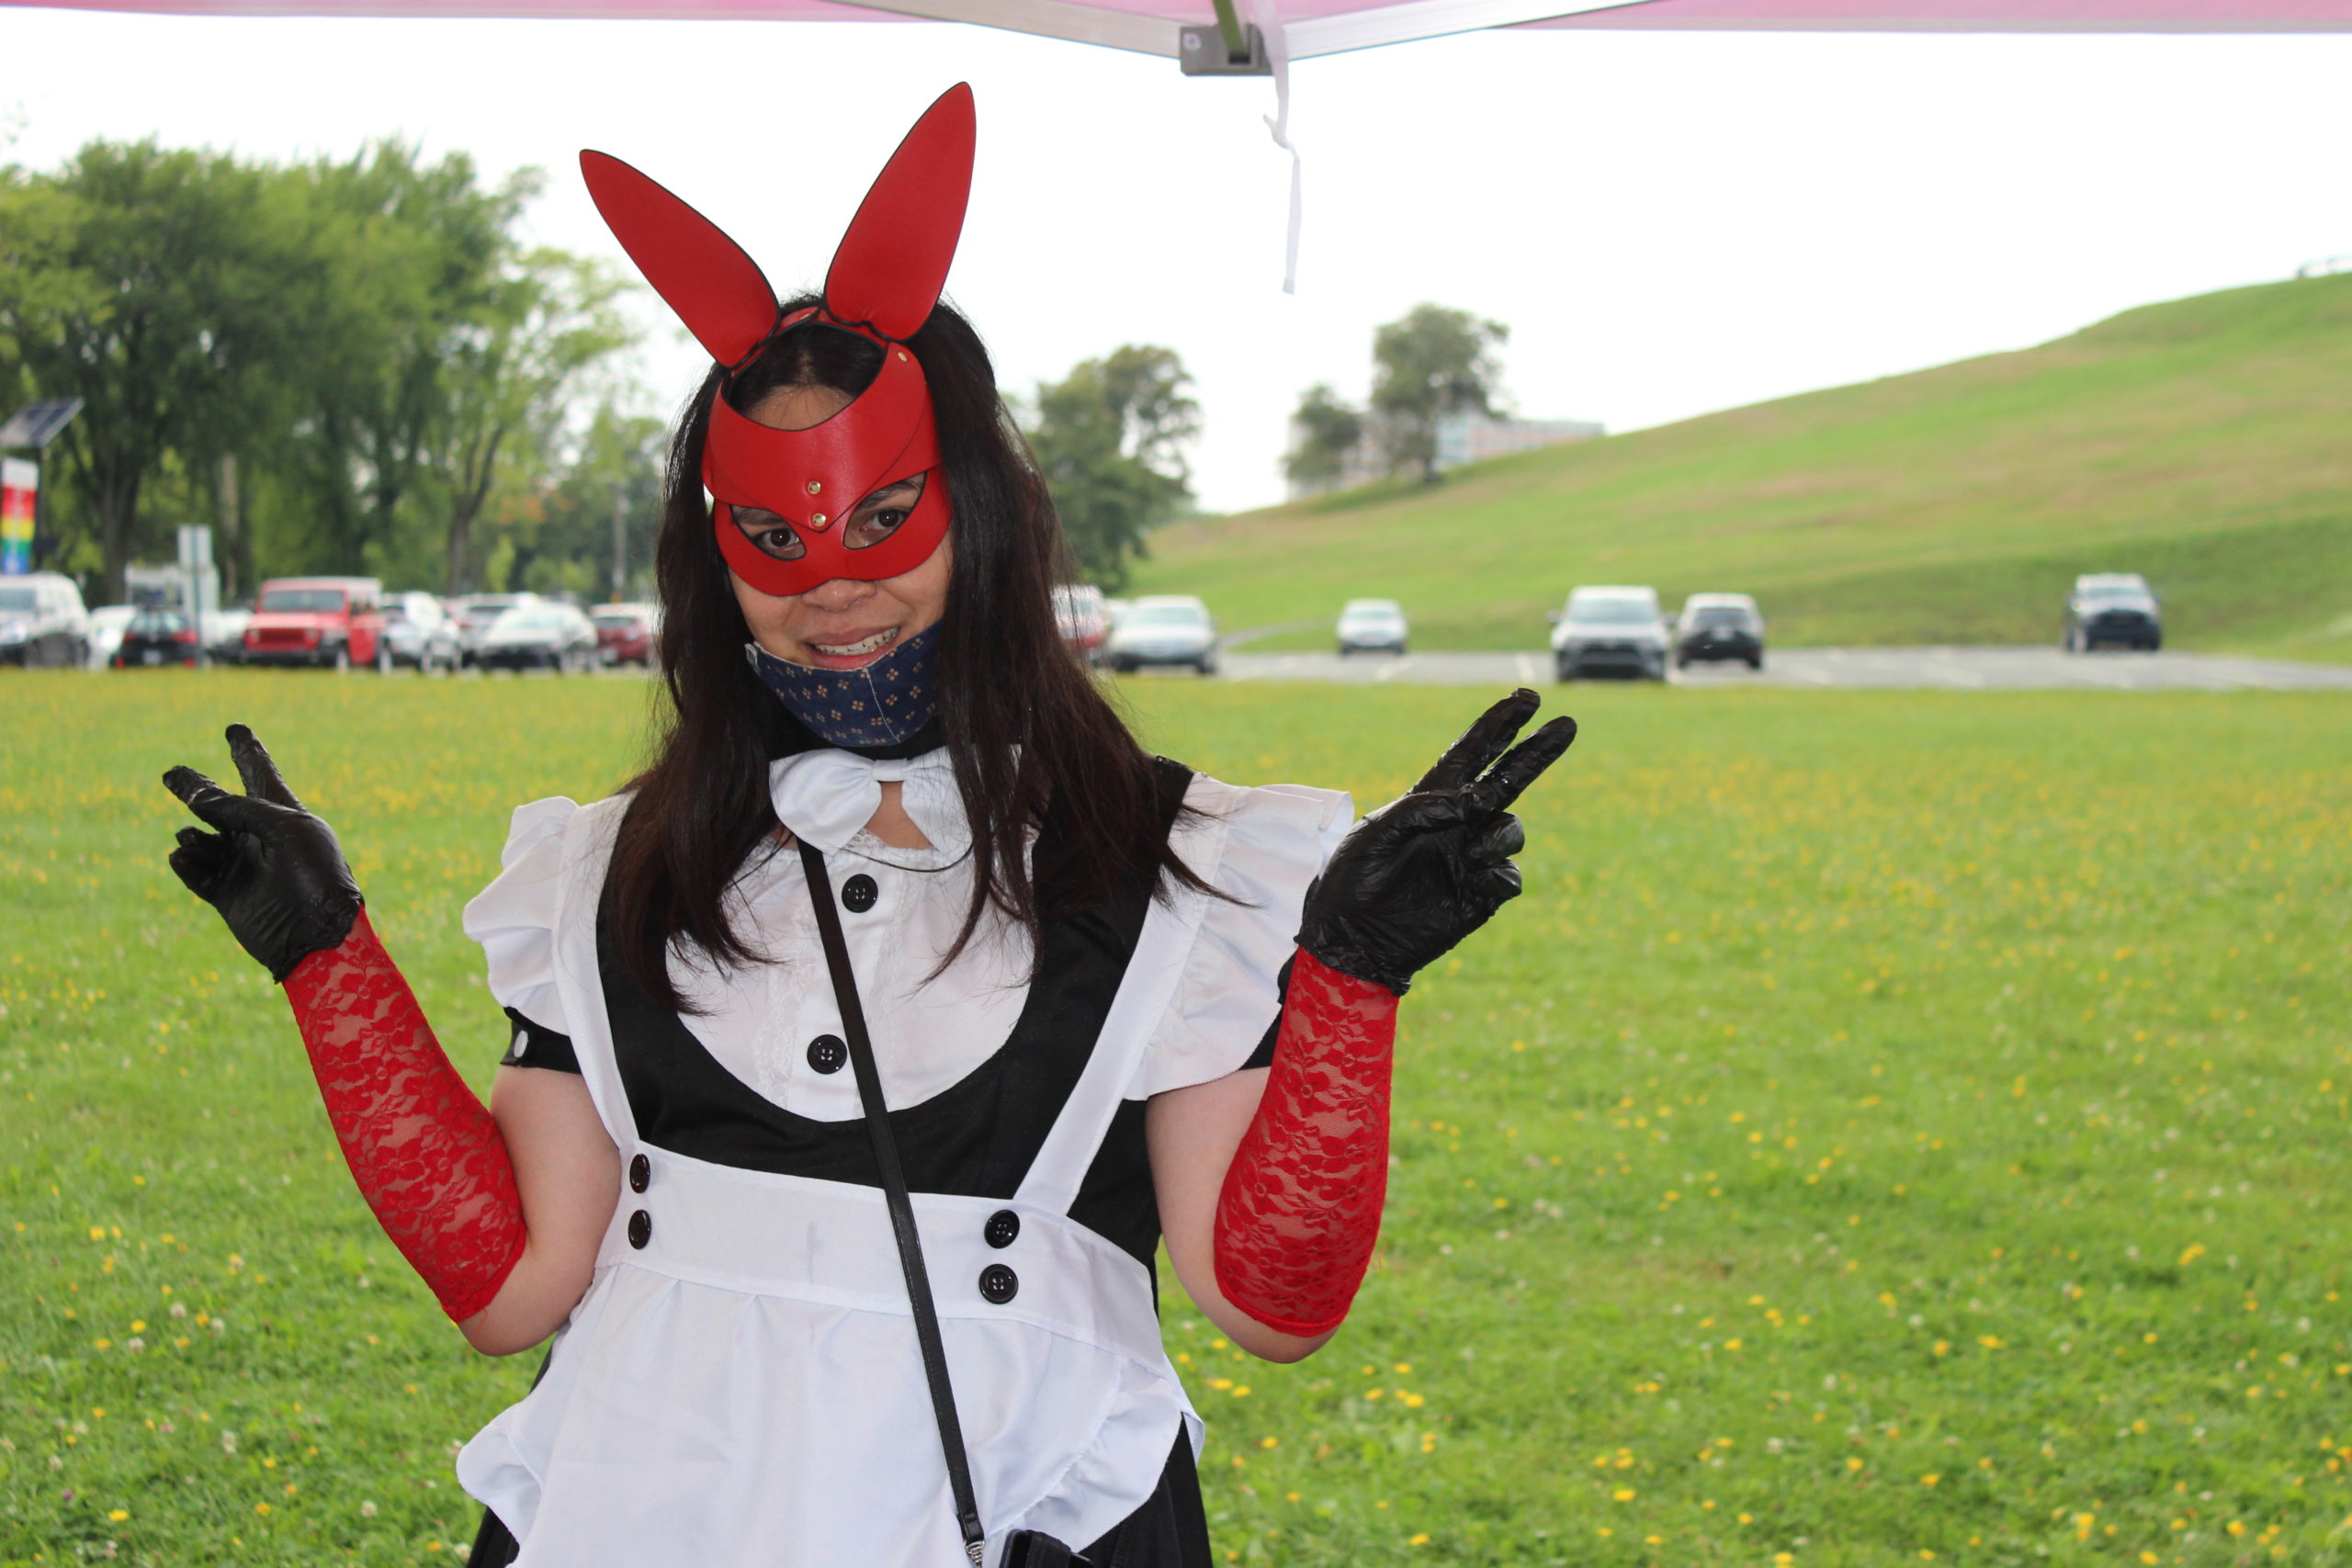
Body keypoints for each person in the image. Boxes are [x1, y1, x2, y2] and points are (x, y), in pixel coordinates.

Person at [159, 85, 1575, 1568]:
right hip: (648, 1502)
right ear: (715, 560)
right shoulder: (603, 872)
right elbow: (511, 1286)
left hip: (1036, 1508)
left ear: (988, 514)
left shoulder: (1183, 875)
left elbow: (1272, 1307)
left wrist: (1349, 979)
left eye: (884, 517)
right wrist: (328, 965)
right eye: (771, 538)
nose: (829, 587)